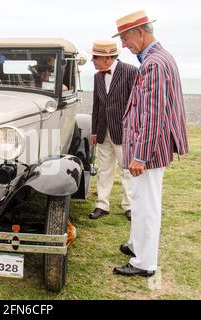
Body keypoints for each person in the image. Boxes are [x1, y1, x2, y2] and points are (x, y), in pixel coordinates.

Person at [111, 10, 189, 277]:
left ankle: (145, 263)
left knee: (146, 205)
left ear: (140, 33)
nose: (123, 45)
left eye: (125, 38)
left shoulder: (154, 63)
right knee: (140, 198)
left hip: (150, 152)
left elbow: (153, 114)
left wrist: (141, 156)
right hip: (152, 148)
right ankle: (137, 246)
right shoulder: (160, 58)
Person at [87, 40, 138, 221]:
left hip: (124, 131)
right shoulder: (97, 76)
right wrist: (94, 131)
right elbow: (97, 105)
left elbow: (136, 104)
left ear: (108, 57)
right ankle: (102, 204)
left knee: (127, 170)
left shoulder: (131, 71)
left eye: (95, 57)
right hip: (102, 131)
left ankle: (130, 206)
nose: (92, 60)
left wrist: (134, 130)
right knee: (104, 169)